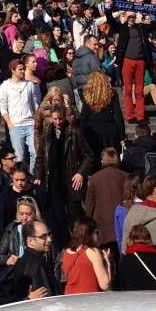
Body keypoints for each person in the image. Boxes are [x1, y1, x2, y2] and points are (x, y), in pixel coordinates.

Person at [33, 102, 93, 250]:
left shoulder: (74, 132)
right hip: (53, 181)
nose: (57, 122)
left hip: (70, 180)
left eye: (60, 119)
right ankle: (61, 248)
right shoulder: (47, 134)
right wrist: (38, 175)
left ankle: (76, 246)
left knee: (73, 216)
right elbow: (40, 158)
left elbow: (89, 155)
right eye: (54, 119)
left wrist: (81, 173)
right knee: (57, 218)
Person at [0, 219, 58, 303]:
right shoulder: (37, 263)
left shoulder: (26, 259)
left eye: (49, 235)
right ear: (30, 241)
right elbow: (46, 297)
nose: (49, 240)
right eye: (43, 237)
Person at [84, 148, 129, 256]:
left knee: (105, 258)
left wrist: (88, 223)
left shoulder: (94, 178)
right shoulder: (126, 176)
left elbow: (89, 204)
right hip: (122, 223)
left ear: (102, 161)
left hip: (102, 226)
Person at [0, 58, 40, 173]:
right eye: (20, 69)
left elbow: (35, 104)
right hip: (16, 125)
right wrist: (9, 123)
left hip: (30, 123)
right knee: (20, 157)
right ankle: (20, 178)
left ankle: (32, 177)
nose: (22, 71)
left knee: (35, 153)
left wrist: (36, 120)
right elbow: (3, 107)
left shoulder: (29, 85)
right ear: (13, 70)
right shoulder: (5, 86)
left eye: (23, 69)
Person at [115, 223, 156, 291]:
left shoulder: (125, 260)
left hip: (133, 300)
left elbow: (120, 287)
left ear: (131, 239)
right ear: (149, 239)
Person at [78, 70, 125, 158]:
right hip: (110, 130)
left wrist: (81, 131)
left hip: (92, 130)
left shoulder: (87, 94)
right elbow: (118, 116)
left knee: (94, 159)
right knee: (110, 160)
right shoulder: (112, 93)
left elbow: (84, 116)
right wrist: (122, 135)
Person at [60, 216, 112, 294]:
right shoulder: (92, 251)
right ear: (89, 234)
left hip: (70, 297)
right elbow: (104, 285)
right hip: (88, 300)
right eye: (97, 232)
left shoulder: (66, 252)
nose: (99, 236)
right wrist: (107, 261)